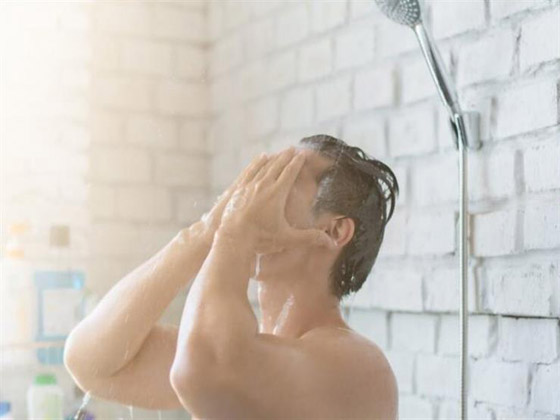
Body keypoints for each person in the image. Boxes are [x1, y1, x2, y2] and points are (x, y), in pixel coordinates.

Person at [64, 134, 400, 419]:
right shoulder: (244, 351)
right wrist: (204, 231)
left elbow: (204, 371)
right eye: (262, 179)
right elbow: (90, 363)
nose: (253, 195)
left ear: (333, 231)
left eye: (283, 179)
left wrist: (237, 232)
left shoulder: (362, 369)